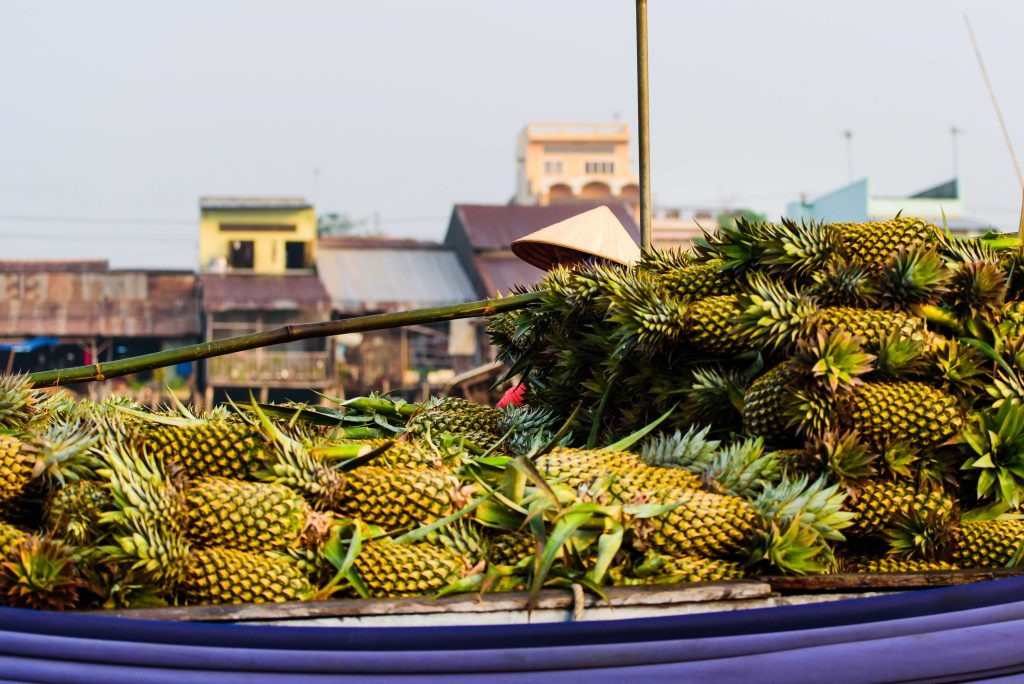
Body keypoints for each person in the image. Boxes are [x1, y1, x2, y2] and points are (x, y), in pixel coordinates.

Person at [497, 206, 641, 409]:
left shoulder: (615, 318)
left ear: (596, 264)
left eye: (565, 259)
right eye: (556, 260)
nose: (557, 269)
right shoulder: (565, 317)